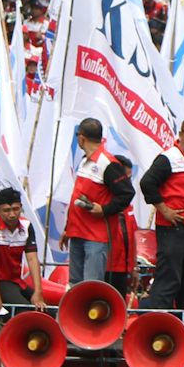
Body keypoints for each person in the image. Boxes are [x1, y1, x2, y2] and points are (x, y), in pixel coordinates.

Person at [140, 117, 184, 308]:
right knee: (170, 275)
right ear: (180, 136)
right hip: (173, 226)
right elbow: (147, 183)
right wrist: (165, 210)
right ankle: (157, 315)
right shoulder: (169, 157)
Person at [62, 119, 132, 286]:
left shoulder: (108, 163)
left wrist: (105, 209)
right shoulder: (86, 161)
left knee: (90, 286)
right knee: (74, 285)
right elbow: (78, 196)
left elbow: (127, 193)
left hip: (95, 236)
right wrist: (67, 228)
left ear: (81, 138)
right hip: (77, 231)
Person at [0, 189, 43, 312]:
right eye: (7, 210)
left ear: (21, 208)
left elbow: (32, 259)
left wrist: (38, 292)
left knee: (46, 311)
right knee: (25, 312)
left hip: (16, 282)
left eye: (15, 209)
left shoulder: (27, 225)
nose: (12, 214)